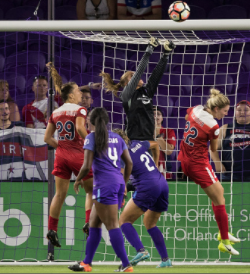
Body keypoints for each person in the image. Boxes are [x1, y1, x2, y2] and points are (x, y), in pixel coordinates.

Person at [69, 108, 134, 273]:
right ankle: (86, 262)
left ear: (91, 121)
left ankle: (126, 264)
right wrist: (123, 183)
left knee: (112, 225)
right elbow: (129, 163)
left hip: (104, 185)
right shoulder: (117, 137)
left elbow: (86, 166)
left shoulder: (91, 137)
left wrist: (77, 180)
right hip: (117, 183)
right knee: (94, 223)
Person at [178, 89, 241, 256]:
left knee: (218, 192)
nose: (225, 114)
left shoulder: (196, 109)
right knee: (219, 197)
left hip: (185, 157)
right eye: (225, 111)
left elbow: (187, 117)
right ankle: (224, 242)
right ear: (215, 109)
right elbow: (214, 148)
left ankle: (223, 232)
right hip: (197, 163)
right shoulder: (213, 126)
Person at [44, 62, 94, 247]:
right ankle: (89, 223)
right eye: (78, 92)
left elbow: (47, 137)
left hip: (61, 155)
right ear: (71, 95)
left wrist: (61, 147)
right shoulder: (80, 110)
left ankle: (52, 230)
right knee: (91, 190)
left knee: (59, 195)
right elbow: (80, 128)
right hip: (78, 154)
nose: (81, 94)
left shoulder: (55, 112)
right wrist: (92, 143)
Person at [113, 129, 172, 268]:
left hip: (147, 187)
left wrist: (122, 193)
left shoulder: (121, 155)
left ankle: (141, 251)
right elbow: (156, 145)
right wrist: (156, 165)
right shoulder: (138, 144)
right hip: (162, 183)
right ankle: (165, 260)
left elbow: (122, 179)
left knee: (124, 220)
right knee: (150, 223)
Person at [101, 37, 174, 148]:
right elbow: (140, 70)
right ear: (126, 83)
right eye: (132, 75)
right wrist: (148, 51)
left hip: (149, 139)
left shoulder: (146, 91)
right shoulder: (125, 95)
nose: (136, 75)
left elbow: (156, 75)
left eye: (135, 74)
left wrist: (166, 54)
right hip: (132, 140)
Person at [210, 100, 250, 181]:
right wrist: (217, 163)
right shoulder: (225, 128)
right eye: (239, 110)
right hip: (229, 175)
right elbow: (212, 148)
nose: (242, 112)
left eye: (246, 110)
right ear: (235, 113)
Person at [154, 106, 176, 180]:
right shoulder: (144, 133)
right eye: (153, 114)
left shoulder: (168, 131)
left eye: (158, 114)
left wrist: (157, 135)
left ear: (162, 118)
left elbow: (169, 151)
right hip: (148, 171)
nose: (156, 116)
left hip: (164, 172)